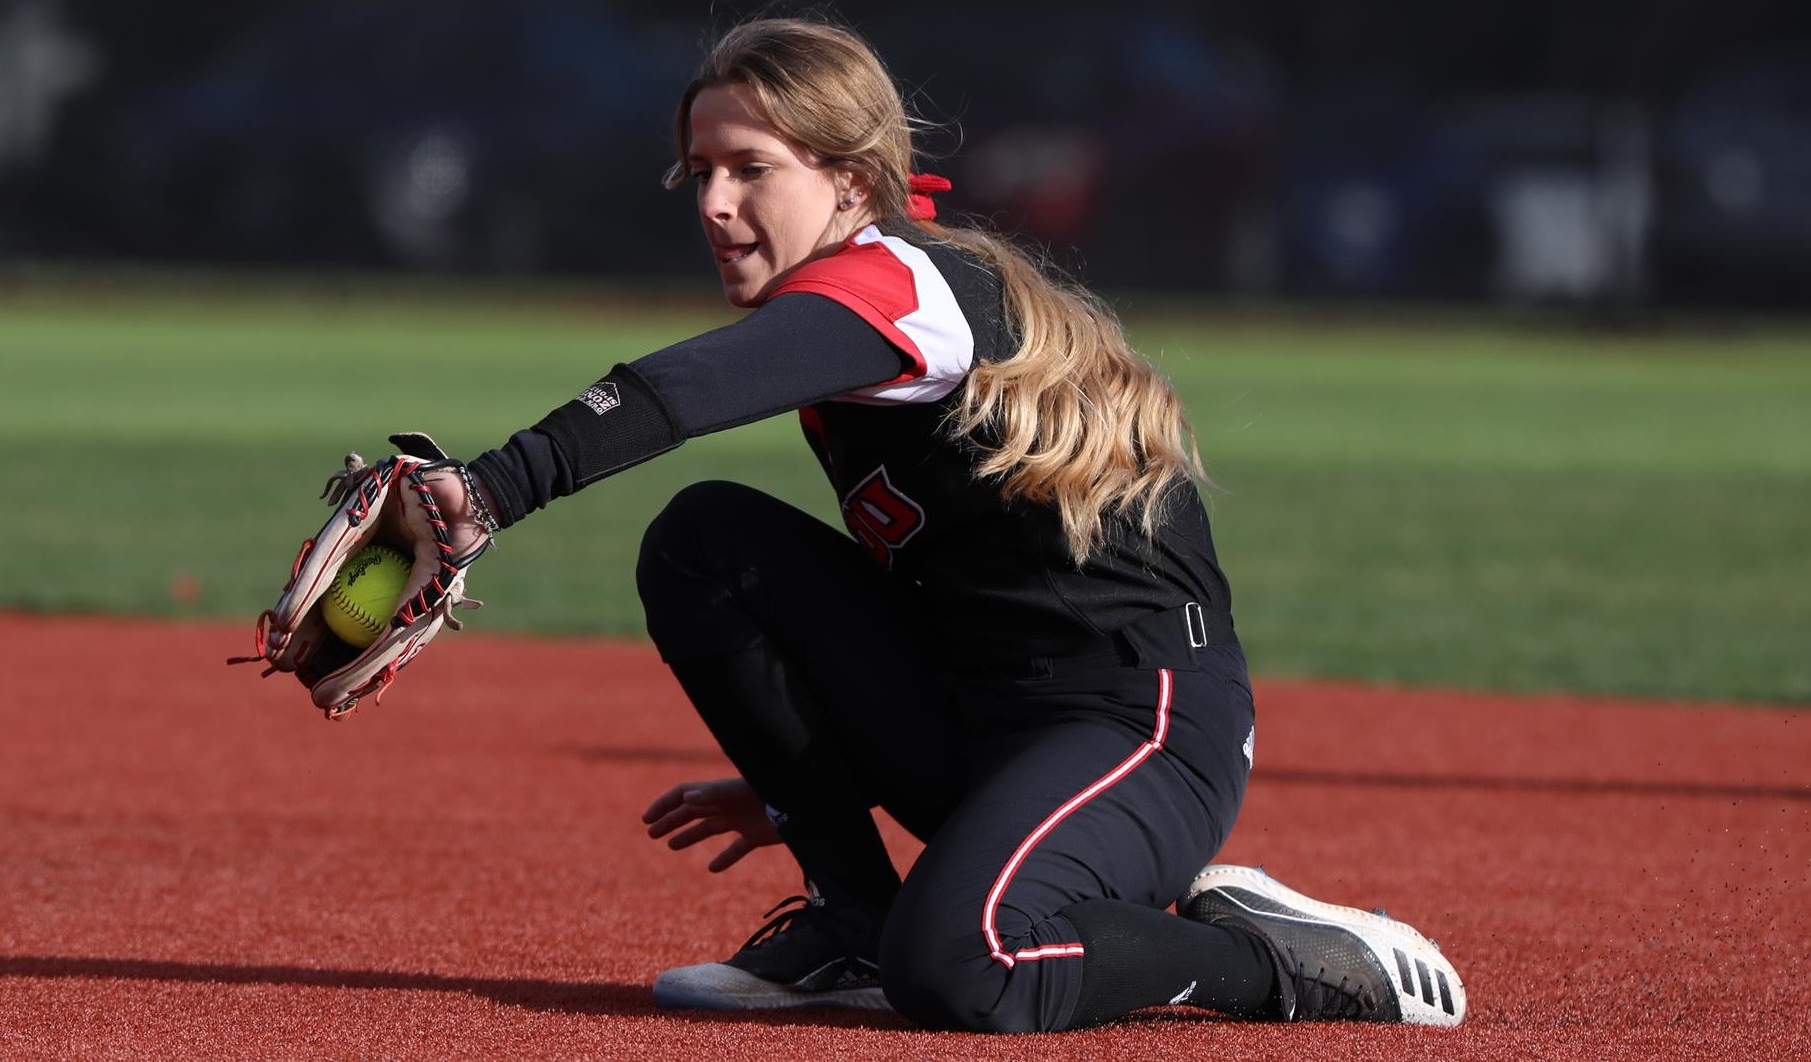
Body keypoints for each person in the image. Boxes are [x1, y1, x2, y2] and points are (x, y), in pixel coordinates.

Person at [426, 16, 1465, 1033]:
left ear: (850, 181)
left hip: (1137, 727)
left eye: (750, 169)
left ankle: (1281, 962)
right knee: (705, 543)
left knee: (960, 968)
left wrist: (492, 490)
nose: (715, 203)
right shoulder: (853, 312)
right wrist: (812, 773)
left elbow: (690, 386)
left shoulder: (902, 285)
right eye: (699, 172)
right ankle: (853, 924)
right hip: (984, 715)